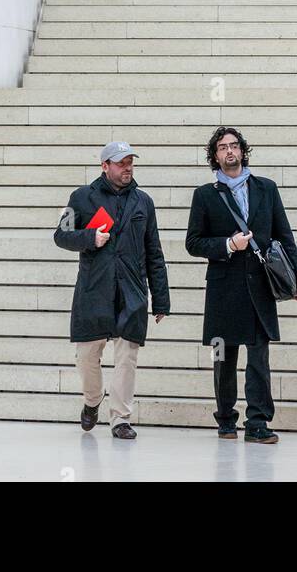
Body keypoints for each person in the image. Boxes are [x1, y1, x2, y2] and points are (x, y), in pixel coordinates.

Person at [185, 127, 297, 443]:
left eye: (234, 146)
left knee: (258, 358)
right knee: (222, 358)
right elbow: (193, 243)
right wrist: (228, 244)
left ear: (243, 151)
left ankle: (257, 423)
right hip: (223, 288)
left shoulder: (266, 188)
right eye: (223, 147)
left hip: (259, 286)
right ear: (215, 156)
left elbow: (284, 235)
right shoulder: (205, 194)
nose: (229, 151)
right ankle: (226, 419)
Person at [53, 142, 170, 440]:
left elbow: (154, 252)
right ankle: (93, 401)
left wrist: (161, 299)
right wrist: (91, 237)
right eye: (121, 163)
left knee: (127, 355)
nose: (127, 168)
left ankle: (120, 418)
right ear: (105, 166)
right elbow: (61, 235)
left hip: (131, 288)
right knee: (87, 355)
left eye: (130, 162)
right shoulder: (81, 197)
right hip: (95, 287)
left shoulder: (144, 201)